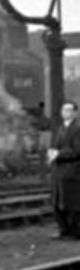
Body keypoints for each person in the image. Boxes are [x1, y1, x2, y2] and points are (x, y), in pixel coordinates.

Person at [48, 101, 80, 238]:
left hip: (73, 170)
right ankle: (63, 229)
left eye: (69, 110)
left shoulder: (78, 128)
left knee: (73, 203)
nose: (65, 113)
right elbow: (55, 145)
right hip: (59, 171)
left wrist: (59, 154)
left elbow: (77, 150)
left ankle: (75, 231)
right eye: (64, 110)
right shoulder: (60, 128)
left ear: (75, 112)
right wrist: (51, 153)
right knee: (58, 203)